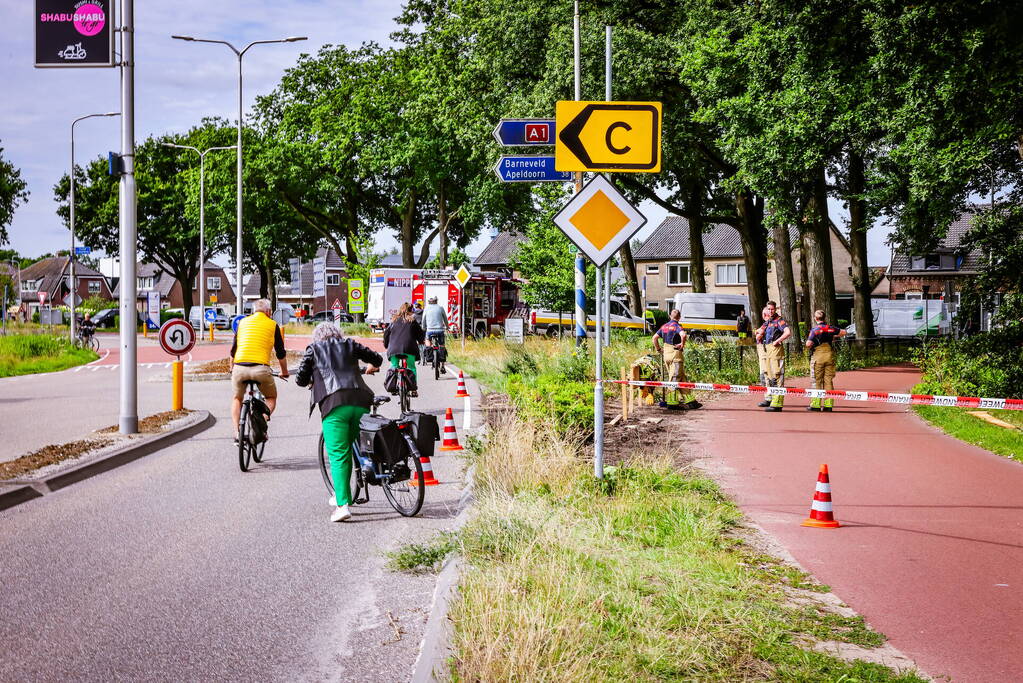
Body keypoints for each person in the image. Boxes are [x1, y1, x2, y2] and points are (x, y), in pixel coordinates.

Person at [296, 322, 382, 522]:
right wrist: (369, 367)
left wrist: (312, 380)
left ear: (317, 337)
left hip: (334, 406)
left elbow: (300, 379)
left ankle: (343, 506)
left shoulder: (313, 349)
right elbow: (377, 358)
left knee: (338, 455)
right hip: (361, 402)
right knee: (355, 446)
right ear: (338, 334)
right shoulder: (349, 344)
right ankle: (349, 490)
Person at [230, 298, 289, 442]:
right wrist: (284, 372)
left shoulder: (243, 323)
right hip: (261, 369)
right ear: (268, 312)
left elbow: (233, 350)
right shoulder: (272, 324)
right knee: (271, 398)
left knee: (237, 398)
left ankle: (237, 433)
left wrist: (231, 368)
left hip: (239, 367)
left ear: (253, 310)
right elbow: (280, 353)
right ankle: (262, 419)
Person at [651, 309, 701, 410]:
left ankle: (690, 401)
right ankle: (672, 402)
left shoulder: (664, 326)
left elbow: (654, 338)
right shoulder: (677, 326)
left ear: (670, 316)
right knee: (674, 378)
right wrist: (682, 344)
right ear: (679, 317)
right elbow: (683, 335)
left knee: (681, 377)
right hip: (676, 355)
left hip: (666, 354)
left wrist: (658, 349)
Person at [805, 309, 848, 412]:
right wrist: (833, 335)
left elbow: (808, 344)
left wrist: (813, 342)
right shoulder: (830, 328)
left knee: (817, 380)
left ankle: (816, 404)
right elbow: (844, 332)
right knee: (828, 380)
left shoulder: (815, 330)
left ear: (815, 319)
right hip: (829, 355)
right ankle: (828, 405)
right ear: (824, 318)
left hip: (818, 356)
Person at [755, 300, 791, 412]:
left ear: (776, 309)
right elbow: (759, 331)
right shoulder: (769, 321)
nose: (770, 311)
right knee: (770, 377)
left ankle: (777, 404)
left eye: (772, 309)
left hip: (776, 350)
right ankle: (772, 401)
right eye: (769, 309)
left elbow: (787, 332)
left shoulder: (779, 321)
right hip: (768, 350)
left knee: (777, 376)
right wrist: (759, 333)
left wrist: (778, 340)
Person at [382, 302, 425, 394]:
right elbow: (420, 334)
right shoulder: (412, 321)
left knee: (394, 366)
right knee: (411, 367)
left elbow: (386, 335)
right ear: (410, 311)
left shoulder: (393, 321)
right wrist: (421, 341)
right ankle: (413, 389)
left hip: (394, 349)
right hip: (409, 349)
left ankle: (393, 385)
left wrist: (386, 345)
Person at [423, 295, 449, 374]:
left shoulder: (426, 309)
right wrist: (447, 327)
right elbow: (445, 318)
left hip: (430, 330)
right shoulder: (440, 308)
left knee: (427, 340)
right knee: (442, 345)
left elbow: (423, 319)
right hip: (440, 330)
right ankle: (443, 366)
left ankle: (429, 353)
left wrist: (424, 327)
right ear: (436, 301)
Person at [755, 306, 772, 407]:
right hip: (766, 350)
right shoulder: (771, 323)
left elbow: (758, 335)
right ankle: (770, 396)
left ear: (764, 315)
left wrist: (757, 332)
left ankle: (768, 398)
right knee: (768, 375)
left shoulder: (767, 324)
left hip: (764, 351)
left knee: (765, 375)